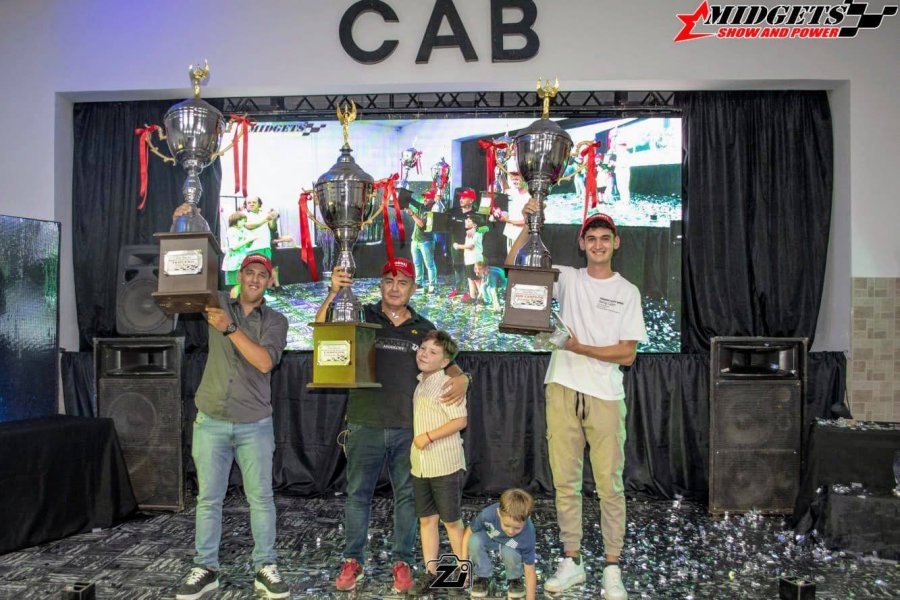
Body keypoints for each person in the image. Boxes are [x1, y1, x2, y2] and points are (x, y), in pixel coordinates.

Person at [506, 206, 647, 600]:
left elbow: (627, 355)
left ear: (615, 243)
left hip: (605, 396)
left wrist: (575, 346)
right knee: (566, 484)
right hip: (562, 388)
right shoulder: (567, 278)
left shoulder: (627, 291)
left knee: (609, 486)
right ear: (582, 244)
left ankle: (612, 567)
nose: (598, 244)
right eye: (591, 239)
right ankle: (573, 561)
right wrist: (525, 223)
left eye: (605, 238)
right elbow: (515, 266)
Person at [316, 257, 471, 593]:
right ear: (380, 285)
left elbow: (450, 363)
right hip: (364, 422)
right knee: (358, 495)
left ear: (412, 288)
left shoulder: (424, 326)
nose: (395, 287)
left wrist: (464, 378)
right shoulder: (361, 315)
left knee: (407, 499)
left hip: (409, 432)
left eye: (403, 282)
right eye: (389, 280)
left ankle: (402, 562)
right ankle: (352, 560)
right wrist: (332, 294)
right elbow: (323, 329)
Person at [175, 252, 290, 600]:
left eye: (262, 274)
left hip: (254, 423)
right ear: (239, 276)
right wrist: (186, 218)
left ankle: (264, 567)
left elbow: (265, 361)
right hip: (210, 420)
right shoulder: (219, 300)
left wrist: (228, 327)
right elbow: (189, 272)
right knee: (208, 499)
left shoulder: (276, 320)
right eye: (249, 272)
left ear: (270, 281)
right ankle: (206, 568)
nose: (255, 279)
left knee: (261, 499)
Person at [408, 329, 468, 596]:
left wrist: (429, 436)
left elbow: (460, 421)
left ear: (445, 362)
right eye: (423, 348)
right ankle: (432, 574)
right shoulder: (422, 381)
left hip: (444, 464)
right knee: (426, 520)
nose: (424, 354)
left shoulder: (447, 382)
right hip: (421, 465)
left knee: (451, 521)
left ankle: (462, 576)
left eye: (433, 352)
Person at [462, 488, 537, 600]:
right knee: (474, 540)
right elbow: (469, 532)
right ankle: (482, 576)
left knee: (509, 551)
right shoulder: (488, 514)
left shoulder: (528, 535)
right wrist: (464, 570)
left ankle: (514, 579)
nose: (511, 531)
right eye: (506, 525)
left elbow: (530, 571)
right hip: (492, 537)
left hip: (510, 545)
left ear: (527, 519)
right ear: (498, 513)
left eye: (517, 527)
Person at [405, 197, 438, 294]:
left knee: (429, 264)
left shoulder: (432, 210)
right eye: (425, 197)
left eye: (428, 197)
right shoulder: (421, 206)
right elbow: (411, 200)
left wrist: (412, 214)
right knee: (417, 263)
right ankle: (418, 283)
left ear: (432, 200)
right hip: (415, 241)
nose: (425, 199)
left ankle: (432, 285)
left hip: (426, 241)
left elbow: (421, 224)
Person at [447, 189, 476, 299]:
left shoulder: (476, 214)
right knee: (457, 267)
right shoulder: (454, 211)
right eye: (460, 197)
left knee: (469, 268)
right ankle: (458, 288)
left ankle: (469, 291)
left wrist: (476, 227)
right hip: (456, 245)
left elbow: (485, 227)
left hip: (469, 247)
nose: (461, 199)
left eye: (464, 197)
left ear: (471, 200)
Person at [454, 214, 486, 304]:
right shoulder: (470, 232)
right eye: (466, 220)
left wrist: (458, 246)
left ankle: (482, 297)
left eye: (469, 221)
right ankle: (472, 297)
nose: (466, 222)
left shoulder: (476, 233)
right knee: (470, 278)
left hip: (474, 259)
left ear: (475, 225)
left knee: (477, 279)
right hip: (469, 259)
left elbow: (471, 246)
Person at [221, 211, 253, 298]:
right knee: (236, 285)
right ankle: (233, 304)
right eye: (243, 220)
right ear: (236, 220)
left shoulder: (241, 231)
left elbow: (245, 245)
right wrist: (247, 240)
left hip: (241, 262)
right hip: (233, 263)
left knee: (241, 284)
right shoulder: (231, 231)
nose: (244, 223)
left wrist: (250, 241)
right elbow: (234, 246)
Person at [499, 160, 528, 253]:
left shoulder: (529, 197)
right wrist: (502, 174)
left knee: (518, 260)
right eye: (513, 179)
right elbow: (506, 188)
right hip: (511, 234)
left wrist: (507, 220)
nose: (515, 181)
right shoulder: (514, 192)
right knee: (510, 259)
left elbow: (525, 222)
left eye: (517, 179)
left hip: (520, 235)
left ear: (524, 180)